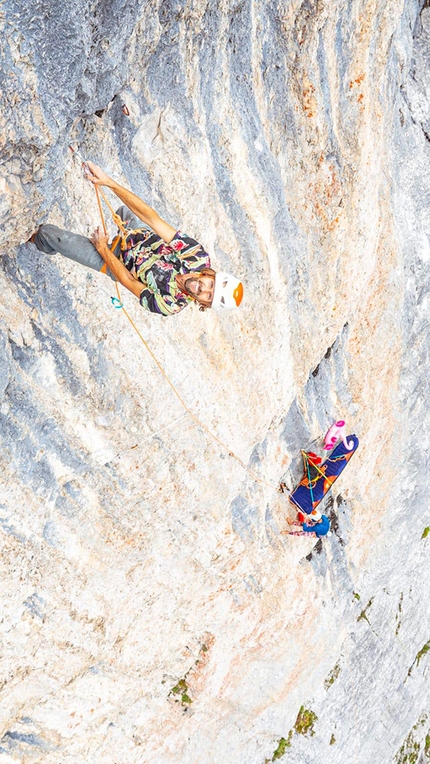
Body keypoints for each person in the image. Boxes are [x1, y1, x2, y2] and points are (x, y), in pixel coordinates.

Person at [30, 161, 244, 317]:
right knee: (125, 210)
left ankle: (34, 240)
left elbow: (129, 281)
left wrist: (102, 248)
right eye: (209, 285)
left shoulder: (170, 304)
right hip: (138, 234)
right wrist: (108, 182)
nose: (203, 289)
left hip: (115, 261)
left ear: (203, 304)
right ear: (210, 275)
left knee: (50, 235)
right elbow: (152, 219)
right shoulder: (196, 256)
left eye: (208, 296)